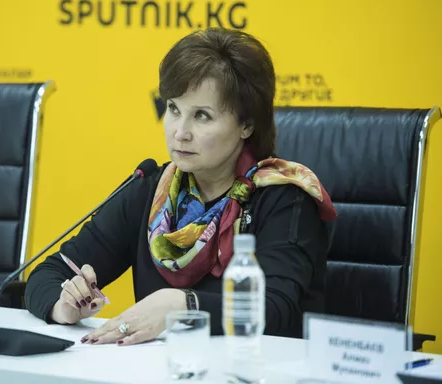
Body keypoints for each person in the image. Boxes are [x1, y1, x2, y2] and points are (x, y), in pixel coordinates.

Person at [25, 27, 337, 346]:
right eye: (173, 109)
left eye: (202, 116)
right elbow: (47, 274)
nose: (180, 132)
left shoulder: (283, 198)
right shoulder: (152, 191)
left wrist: (182, 305)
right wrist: (63, 305)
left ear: (246, 125)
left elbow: (276, 309)